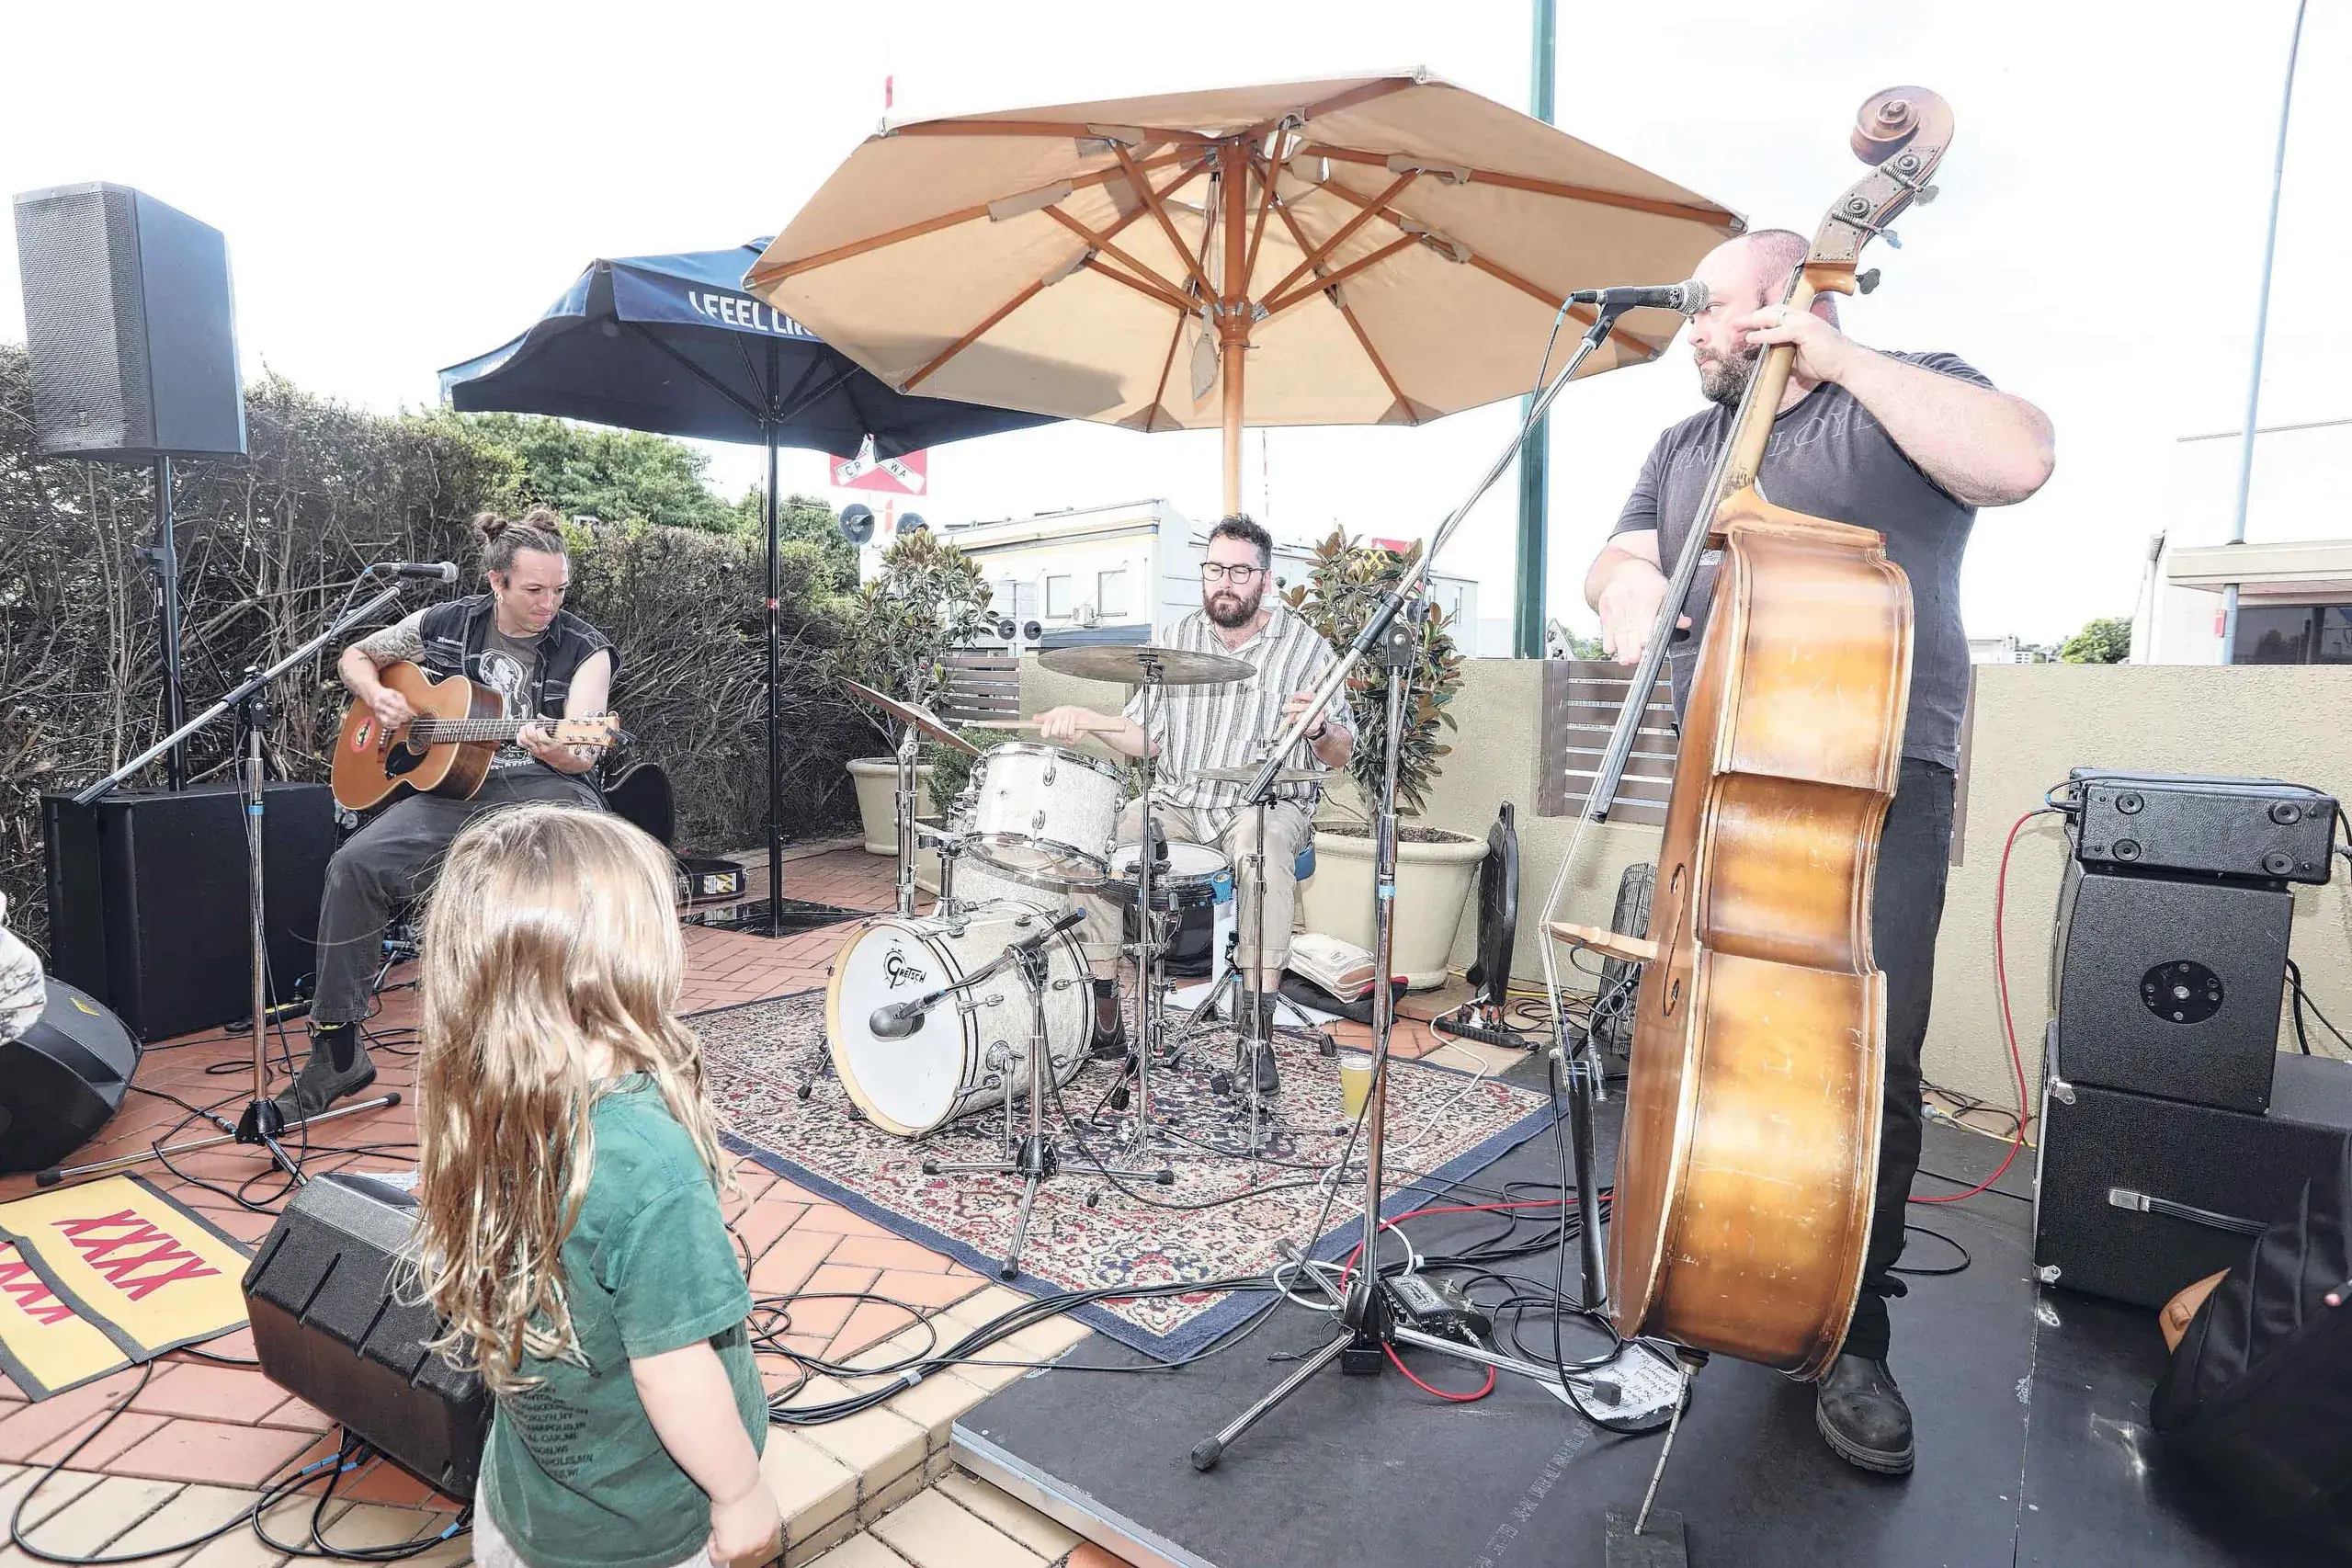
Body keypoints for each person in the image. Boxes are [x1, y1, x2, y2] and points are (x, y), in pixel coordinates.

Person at [1584, 229, 2055, 1476]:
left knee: (1863, 1062)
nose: (1688, 328)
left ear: (1787, 303)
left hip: (1873, 788)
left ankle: (1850, 1330)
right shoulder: (1685, 446)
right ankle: (1687, 1279)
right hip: (1718, 781)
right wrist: (1623, 587)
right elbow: (1620, 551)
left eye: (1707, 306)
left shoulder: (1895, 392)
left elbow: (2019, 457)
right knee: (1697, 1035)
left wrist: (1838, 357)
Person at [408, 803, 780, 1568]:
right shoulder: (650, 1165)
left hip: (525, 1508)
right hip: (641, 1534)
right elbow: (672, 1369)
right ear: (626, 957)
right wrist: (740, 1492)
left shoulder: (487, 1107)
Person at [278, 508, 617, 1124]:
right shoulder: (445, 620)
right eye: (534, 590)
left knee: (551, 881)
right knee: (355, 865)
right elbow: (356, 655)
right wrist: (378, 696)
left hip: (548, 788)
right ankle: (336, 1051)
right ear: (496, 583)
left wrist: (558, 748)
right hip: (456, 790)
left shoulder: (585, 648)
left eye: (559, 589)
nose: (549, 604)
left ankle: (576, 1047)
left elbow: (584, 748)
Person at [1034, 515, 1354, 1097]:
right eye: (1214, 569)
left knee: (1261, 845)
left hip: (1265, 803)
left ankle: (1255, 1036)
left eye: (1239, 571)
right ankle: (1105, 1012)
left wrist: (1319, 729)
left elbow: (1341, 754)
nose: (1224, 582)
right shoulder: (1176, 639)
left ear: (1266, 579)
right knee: (1101, 840)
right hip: (1182, 802)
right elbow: (1146, 739)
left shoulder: (1307, 649)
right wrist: (1090, 721)